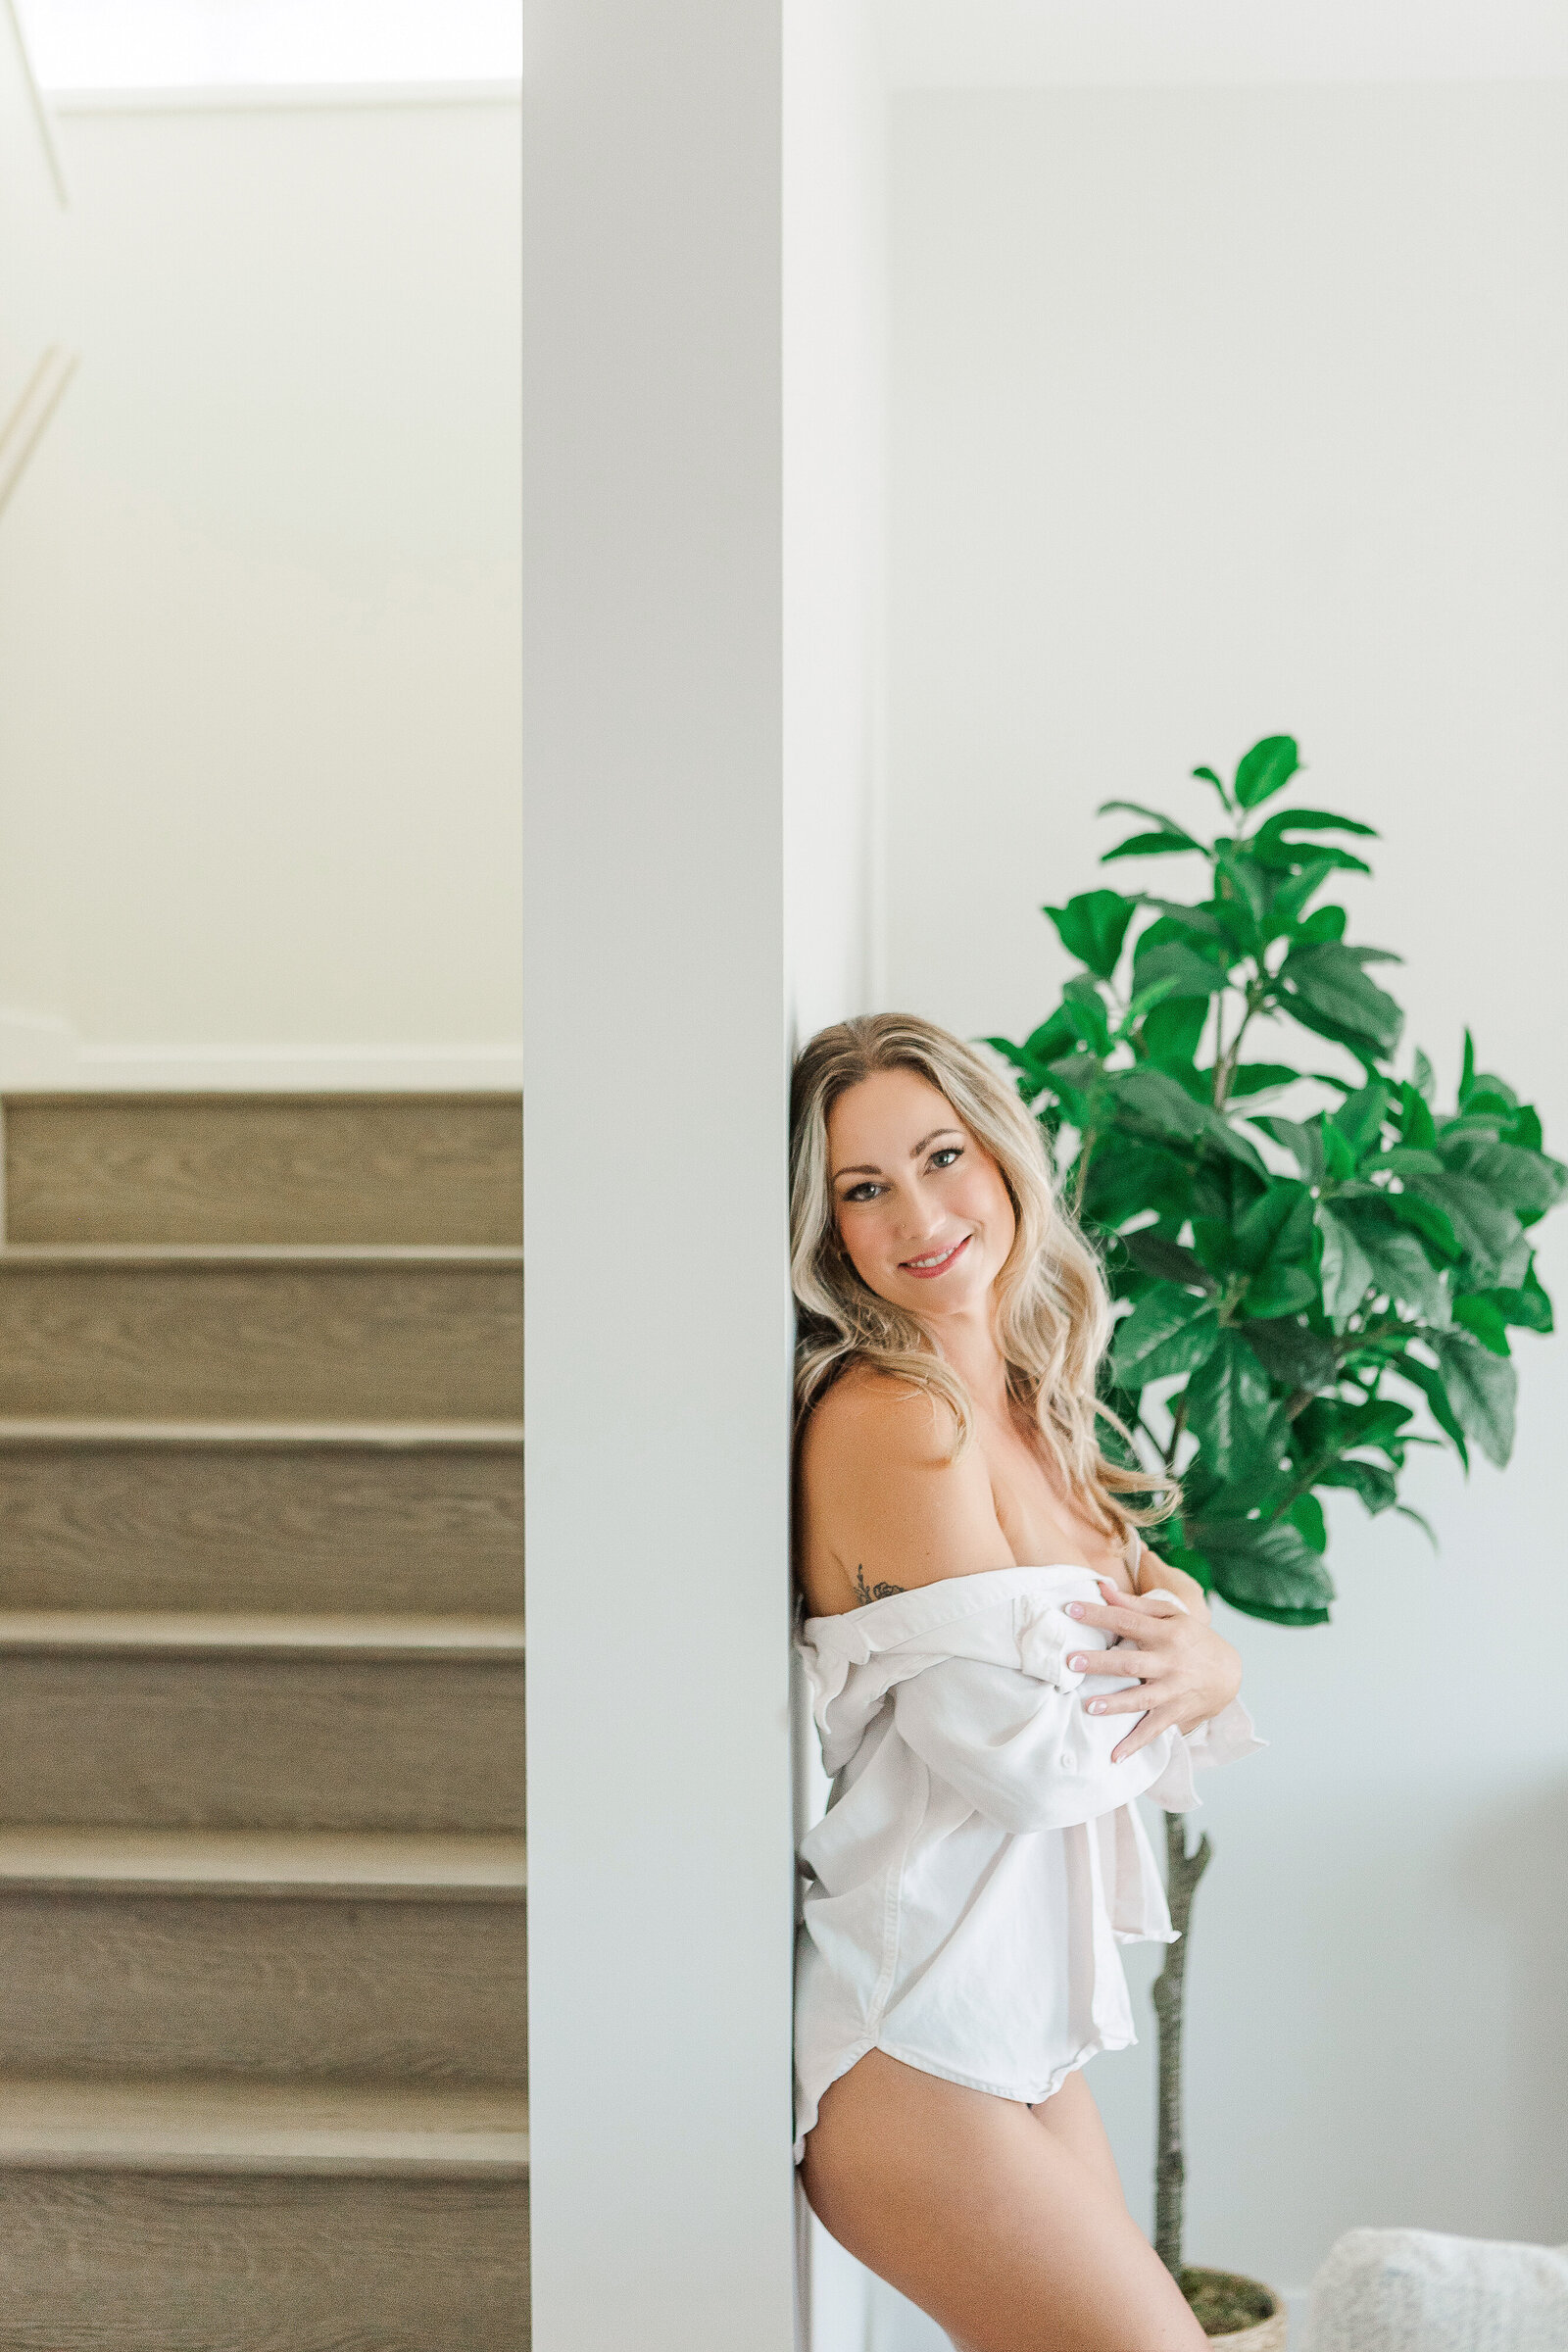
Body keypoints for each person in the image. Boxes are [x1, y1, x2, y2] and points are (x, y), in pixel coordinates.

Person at [791, 1012, 1262, 2352]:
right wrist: (1198, 1673)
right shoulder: (894, 1417)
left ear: (1003, 1158)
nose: (922, 1214)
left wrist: (1206, 1659)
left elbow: (1181, 1631)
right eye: (863, 1189)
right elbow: (1026, 1757)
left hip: (1016, 2024)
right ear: (829, 1233)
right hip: (915, 2038)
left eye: (942, 1157)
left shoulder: (1026, 1403)